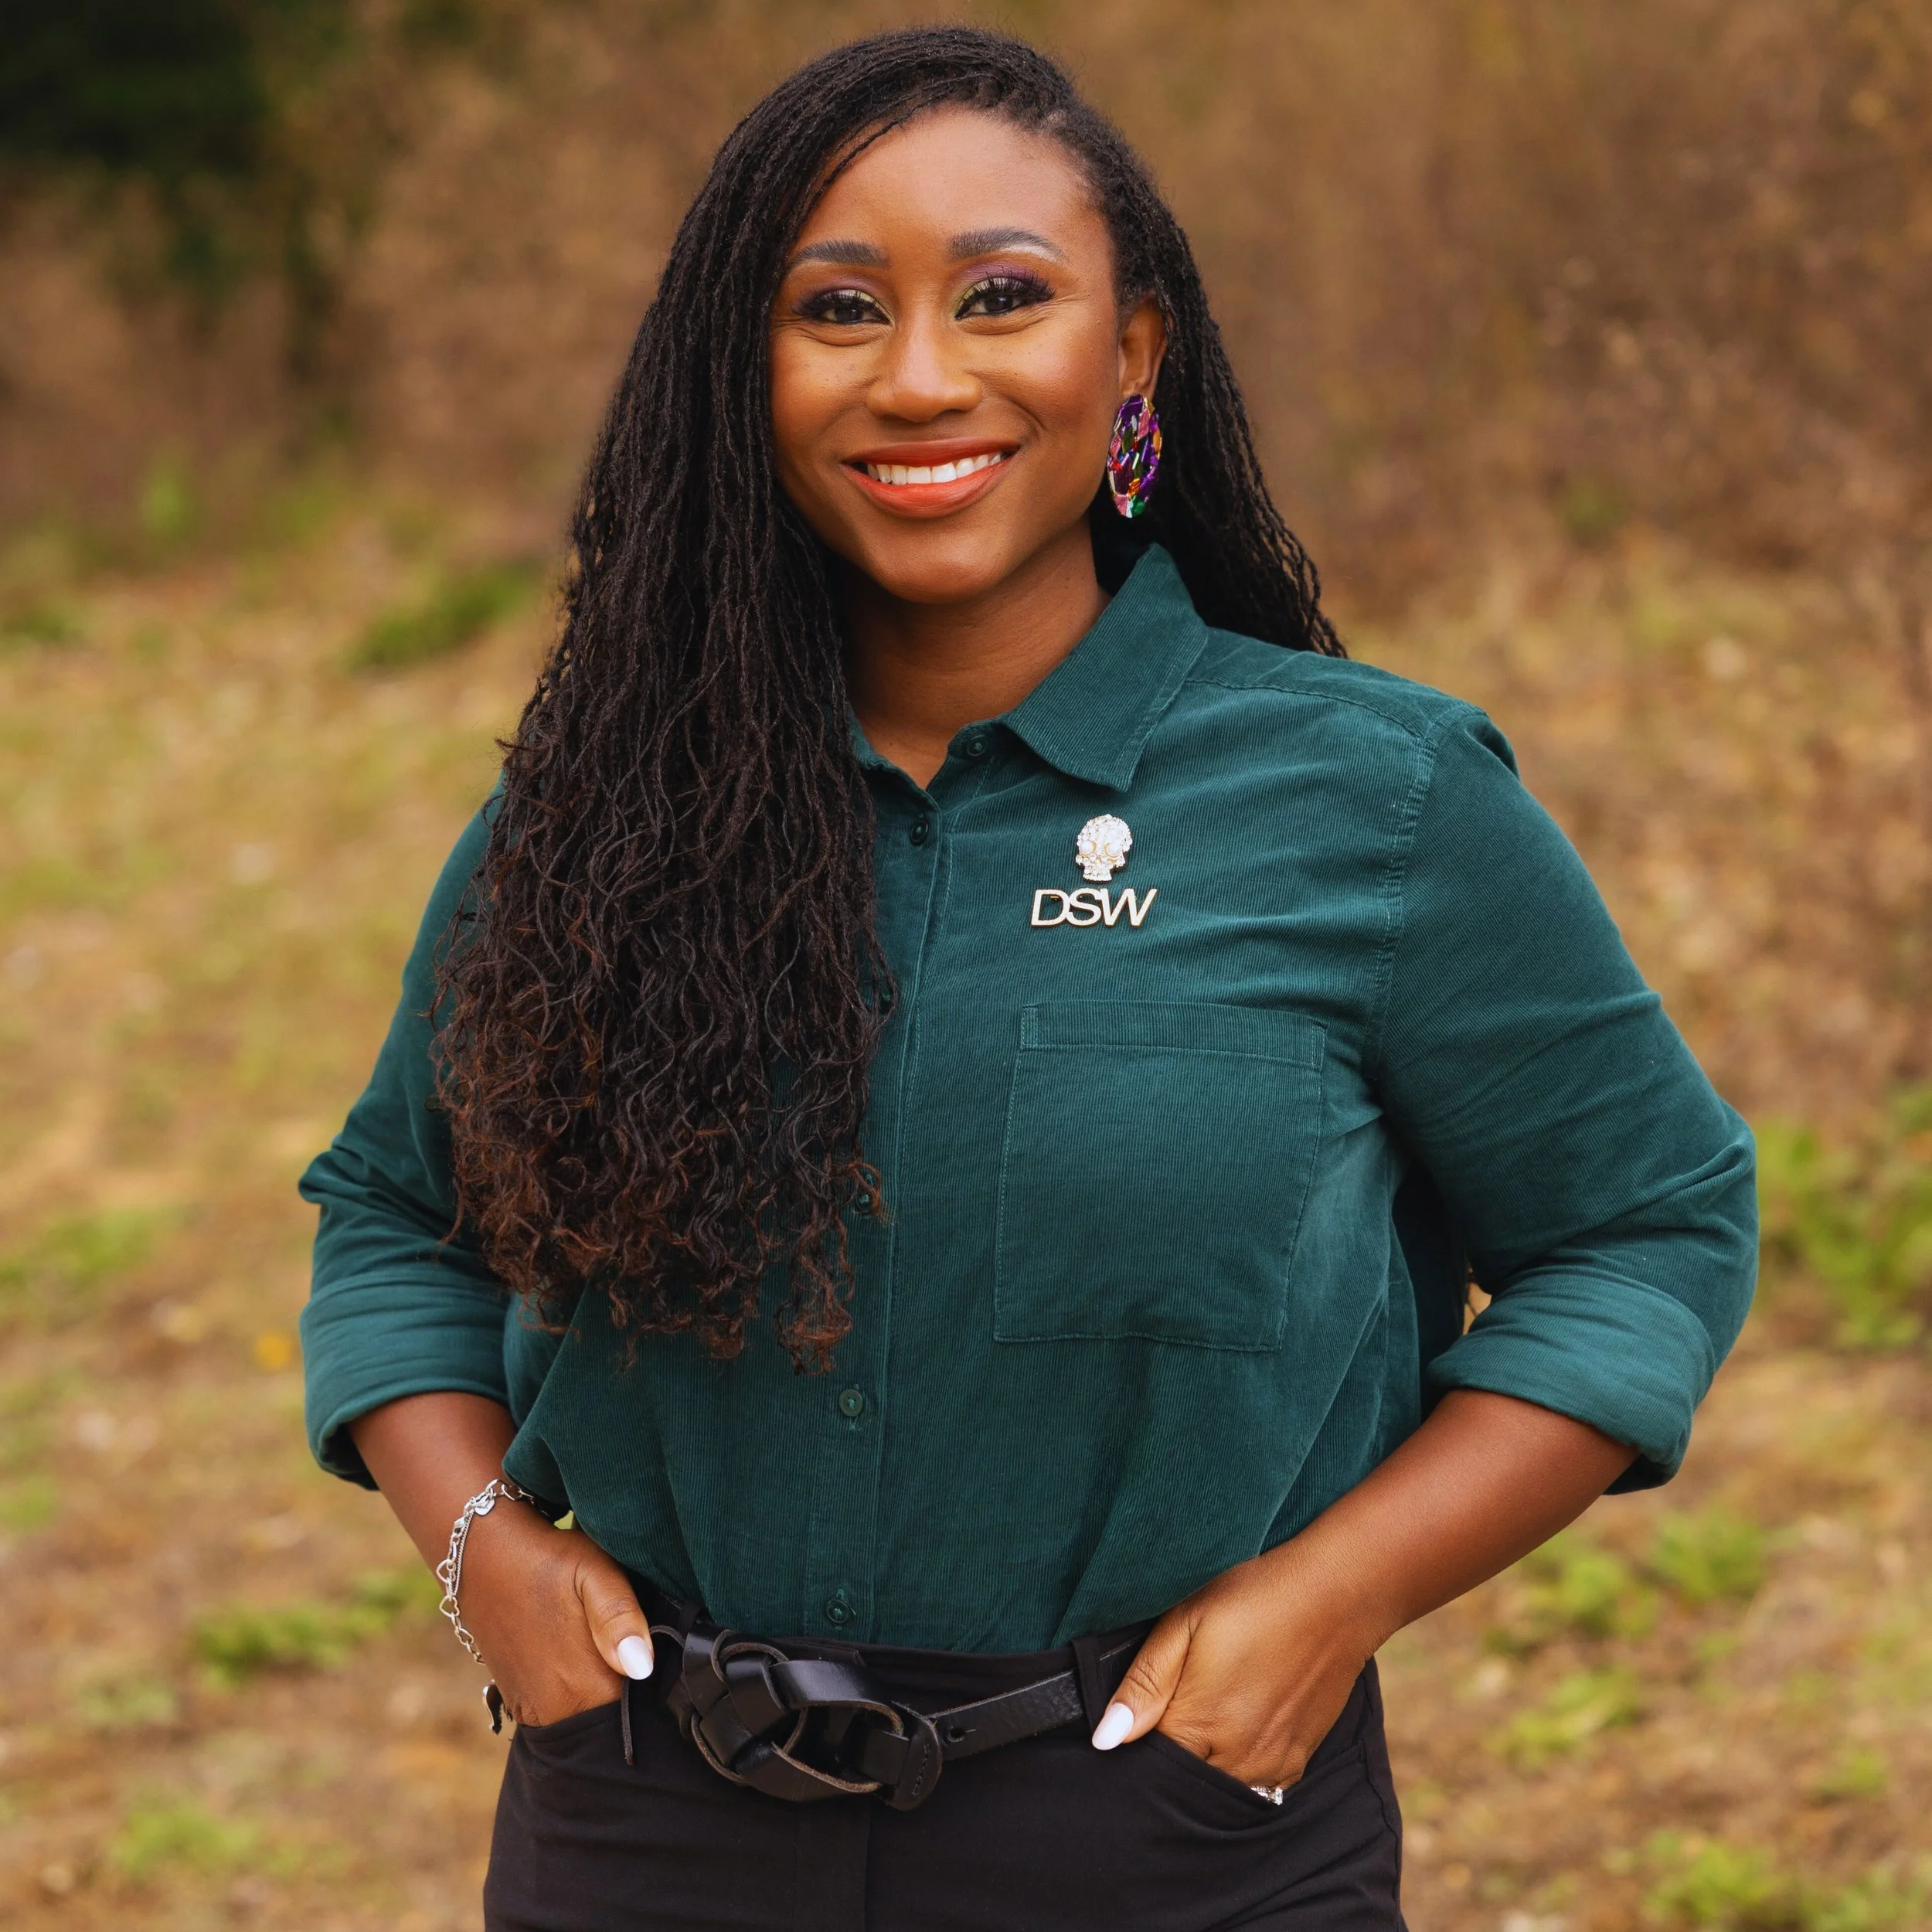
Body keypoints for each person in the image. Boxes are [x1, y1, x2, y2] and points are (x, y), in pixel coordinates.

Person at [298, 26, 1757, 1932]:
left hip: (1170, 1830)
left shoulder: (1370, 799)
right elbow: (393, 1213)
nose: (920, 376)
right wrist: (479, 1542)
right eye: (836, 309)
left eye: (1003, 296)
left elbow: (1644, 1225)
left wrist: (1333, 1595)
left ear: (1129, 351)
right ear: (745, 373)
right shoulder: (598, 818)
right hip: (644, 1826)